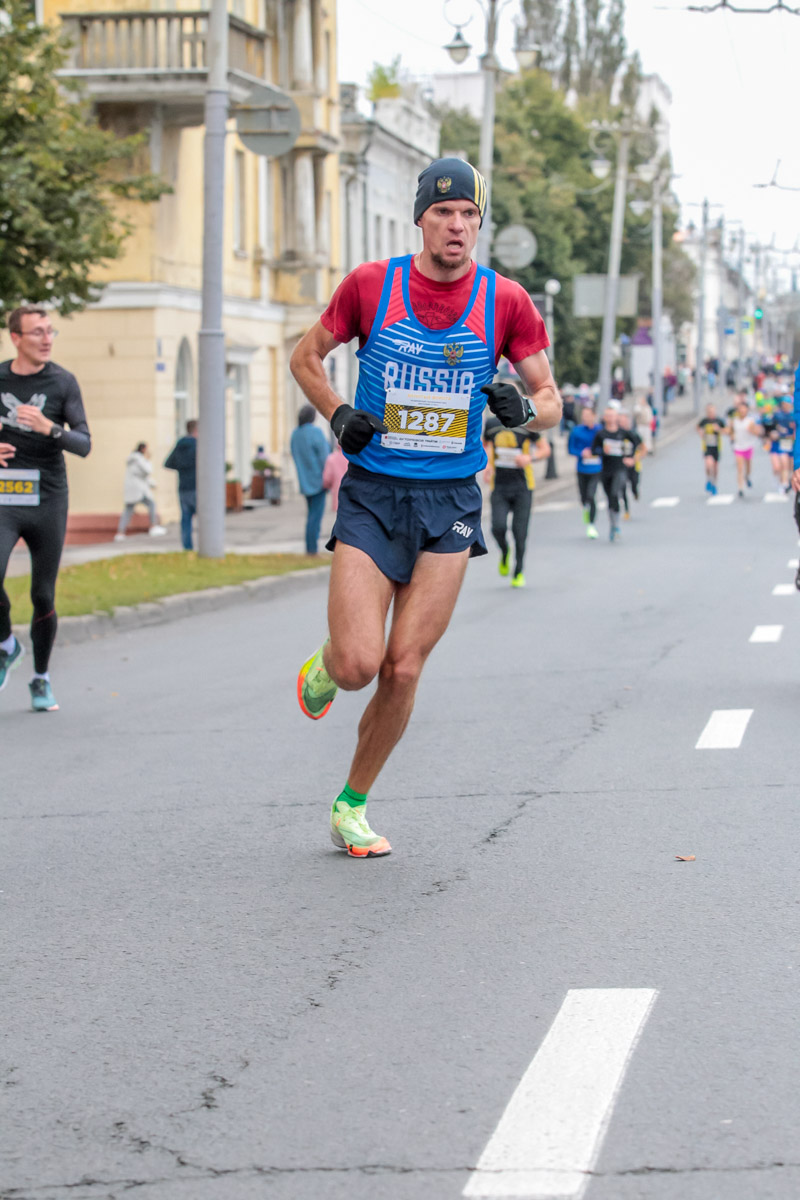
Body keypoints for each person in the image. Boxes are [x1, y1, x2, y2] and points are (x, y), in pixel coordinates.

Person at [289, 156, 559, 858]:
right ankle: (325, 666)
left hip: (451, 502)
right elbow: (305, 357)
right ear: (421, 218)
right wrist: (338, 412)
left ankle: (352, 804)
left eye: (470, 215)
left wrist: (520, 410)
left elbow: (552, 404)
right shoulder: (372, 286)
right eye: (445, 213)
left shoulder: (507, 302)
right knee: (357, 664)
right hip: (375, 494)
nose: (458, 226)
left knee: (403, 666)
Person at [0, 306, 91, 712]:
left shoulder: (63, 382)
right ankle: (6, 645)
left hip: (48, 498)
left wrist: (49, 428)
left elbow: (84, 443)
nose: (46, 338)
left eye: (50, 331)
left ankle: (41, 678)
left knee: (42, 593)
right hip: (4, 498)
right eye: (37, 332)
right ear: (15, 337)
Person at [483, 412, 549, 587]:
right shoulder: (491, 424)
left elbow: (545, 449)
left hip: (523, 487)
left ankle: (518, 571)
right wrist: (487, 464)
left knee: (520, 533)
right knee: (498, 527)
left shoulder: (527, 424)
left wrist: (530, 457)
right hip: (499, 486)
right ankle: (505, 552)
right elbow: (484, 445)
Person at [590, 406, 636, 542]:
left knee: (616, 493)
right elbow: (594, 450)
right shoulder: (601, 434)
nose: (610, 418)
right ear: (604, 418)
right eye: (607, 415)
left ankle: (616, 525)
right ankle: (613, 524)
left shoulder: (623, 433)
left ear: (617, 417)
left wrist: (630, 457)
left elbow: (636, 443)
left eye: (612, 415)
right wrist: (603, 451)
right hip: (606, 470)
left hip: (620, 468)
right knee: (610, 497)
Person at [290, 404, 330, 555]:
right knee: (315, 517)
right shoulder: (316, 433)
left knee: (311, 515)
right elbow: (325, 457)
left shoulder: (295, 434)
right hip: (319, 481)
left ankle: (310, 547)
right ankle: (312, 550)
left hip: (304, 480)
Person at [114, 443, 166, 541]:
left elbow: (142, 476)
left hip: (133, 490)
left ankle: (120, 533)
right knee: (151, 504)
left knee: (128, 510)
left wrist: (152, 484)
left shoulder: (133, 460)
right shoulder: (139, 459)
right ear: (143, 449)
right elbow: (148, 471)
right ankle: (153, 526)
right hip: (138, 490)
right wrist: (148, 459)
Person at [567, 405, 601, 539]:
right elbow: (570, 449)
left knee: (591, 495)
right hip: (582, 468)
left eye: (588, 415)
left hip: (596, 468)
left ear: (594, 416)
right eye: (584, 416)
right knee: (583, 497)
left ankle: (591, 525)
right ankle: (586, 508)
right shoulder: (576, 431)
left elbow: (605, 448)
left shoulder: (600, 431)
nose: (586, 418)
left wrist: (594, 452)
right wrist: (581, 453)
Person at [164, 419, 197, 550]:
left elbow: (168, 463)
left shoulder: (180, 444)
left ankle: (187, 547)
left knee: (186, 519)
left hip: (183, 486)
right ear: (196, 430)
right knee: (207, 517)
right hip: (197, 486)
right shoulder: (198, 445)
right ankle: (209, 546)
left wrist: (182, 468)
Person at [727, 394, 758, 497]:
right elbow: (730, 431)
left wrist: (752, 430)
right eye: (740, 409)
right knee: (740, 467)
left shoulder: (750, 421)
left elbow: (756, 432)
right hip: (738, 446)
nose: (742, 411)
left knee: (748, 467)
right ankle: (740, 488)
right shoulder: (734, 421)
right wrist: (730, 435)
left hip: (748, 446)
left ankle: (747, 476)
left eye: (744, 409)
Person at [697, 402, 726, 495]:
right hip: (707, 447)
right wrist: (701, 432)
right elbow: (698, 427)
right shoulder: (704, 421)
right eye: (709, 412)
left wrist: (719, 430)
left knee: (715, 467)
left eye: (712, 411)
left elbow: (727, 430)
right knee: (708, 464)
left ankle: (714, 483)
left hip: (716, 447)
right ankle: (709, 479)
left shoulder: (719, 421)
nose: (711, 413)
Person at [619, 410, 644, 518]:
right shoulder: (617, 434)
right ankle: (626, 510)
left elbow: (643, 449)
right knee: (622, 486)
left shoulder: (634, 434)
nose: (623, 424)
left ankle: (635, 492)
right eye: (621, 422)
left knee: (634, 484)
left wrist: (634, 459)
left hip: (634, 464)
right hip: (621, 465)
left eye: (625, 422)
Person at [322, 442, 348, 512]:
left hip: (338, 495)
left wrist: (327, 486)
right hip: (355, 496)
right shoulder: (355, 457)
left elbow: (327, 478)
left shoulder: (332, 458)